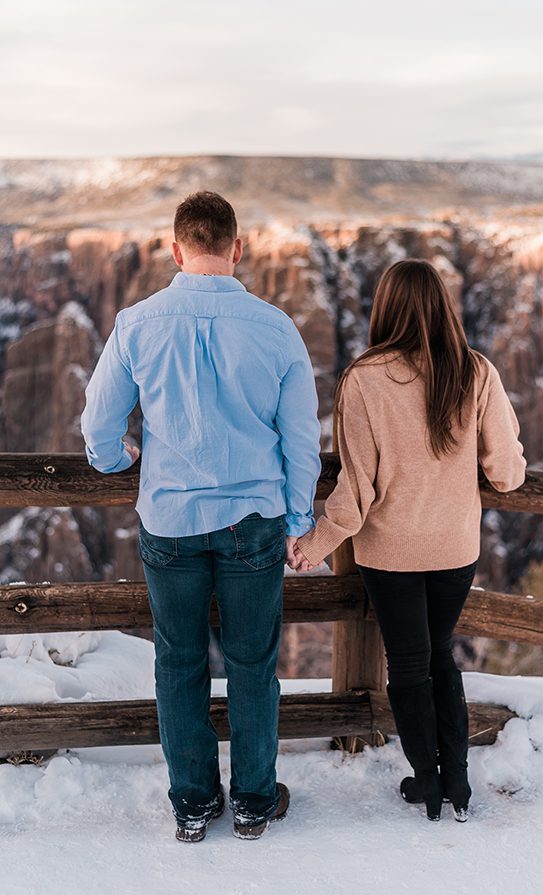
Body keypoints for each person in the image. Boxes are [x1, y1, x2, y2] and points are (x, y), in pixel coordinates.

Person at [81, 191, 321, 843]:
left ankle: (192, 801)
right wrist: (300, 518)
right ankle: (253, 799)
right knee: (252, 662)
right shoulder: (276, 328)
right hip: (255, 521)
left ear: (176, 247)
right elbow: (302, 438)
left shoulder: (138, 322)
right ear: (236, 248)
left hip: (171, 520)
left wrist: (115, 458)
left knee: (178, 660)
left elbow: (98, 424)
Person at [293, 258, 525, 823]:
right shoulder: (476, 372)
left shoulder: (364, 379)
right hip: (454, 549)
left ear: (386, 308)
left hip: (390, 553)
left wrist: (317, 541)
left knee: (409, 664)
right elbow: (507, 472)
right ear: (444, 307)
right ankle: (460, 784)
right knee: (440, 655)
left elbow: (358, 483)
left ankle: (427, 782)